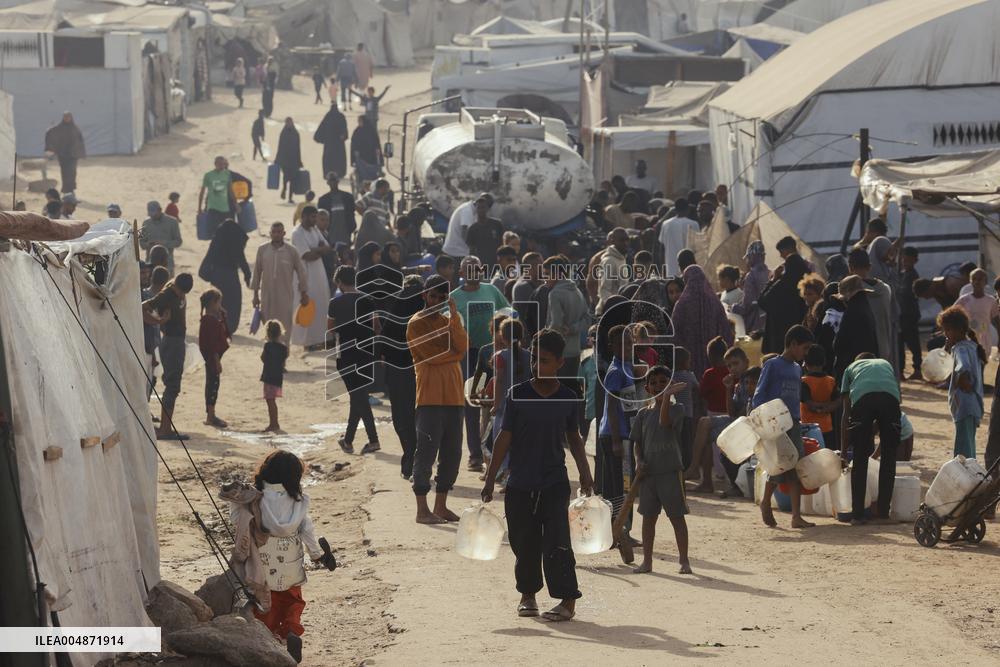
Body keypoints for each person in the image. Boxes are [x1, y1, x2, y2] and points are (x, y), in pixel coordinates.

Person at [481, 329, 594, 622]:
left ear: (559, 362)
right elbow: (503, 438)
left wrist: (585, 474)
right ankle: (528, 595)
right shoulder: (517, 394)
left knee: (557, 543)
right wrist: (491, 478)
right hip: (519, 483)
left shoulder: (568, 397)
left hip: (554, 482)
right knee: (524, 543)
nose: (536, 366)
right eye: (533, 359)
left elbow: (575, 439)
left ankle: (567, 600)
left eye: (543, 360)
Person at [243, 450, 330, 663]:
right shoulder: (298, 501)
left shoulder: (255, 498)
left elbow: (239, 520)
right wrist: (318, 556)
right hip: (290, 564)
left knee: (264, 603)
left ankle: (267, 639)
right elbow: (307, 531)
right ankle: (291, 631)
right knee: (292, 601)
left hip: (261, 563)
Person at [407, 275, 469, 523]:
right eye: (432, 296)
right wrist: (454, 354)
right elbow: (433, 355)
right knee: (426, 454)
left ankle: (441, 506)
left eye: (441, 297)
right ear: (424, 296)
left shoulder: (449, 321)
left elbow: (462, 346)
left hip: (454, 397)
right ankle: (422, 510)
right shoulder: (415, 324)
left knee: (452, 454)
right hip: (429, 398)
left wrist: (454, 317)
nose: (436, 301)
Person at [751, 325, 816, 529]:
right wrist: (760, 418)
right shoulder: (772, 365)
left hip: (793, 423)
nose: (805, 354)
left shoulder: (797, 369)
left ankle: (796, 517)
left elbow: (795, 398)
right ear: (793, 344)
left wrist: (798, 419)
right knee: (779, 465)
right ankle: (765, 502)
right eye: (804, 348)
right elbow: (759, 395)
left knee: (795, 464)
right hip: (775, 424)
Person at [451, 256, 510, 471]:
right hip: (471, 355)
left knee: (498, 401)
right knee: (473, 403)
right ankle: (475, 454)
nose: (474, 272)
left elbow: (508, 313)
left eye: (477, 268)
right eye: (469, 269)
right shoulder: (453, 298)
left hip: (495, 353)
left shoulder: (492, 291)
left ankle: (498, 453)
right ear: (461, 274)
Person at [631, 366, 691, 574]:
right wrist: (639, 461)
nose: (658, 386)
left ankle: (684, 560)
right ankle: (647, 561)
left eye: (663, 382)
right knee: (648, 518)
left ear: (671, 385)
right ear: (647, 388)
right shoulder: (642, 414)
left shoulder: (678, 409)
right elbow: (637, 443)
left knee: (676, 516)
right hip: (648, 474)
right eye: (654, 383)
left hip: (670, 472)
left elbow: (665, 423)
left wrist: (666, 398)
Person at [839, 354, 900, 525]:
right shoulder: (885, 364)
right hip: (890, 400)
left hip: (863, 400)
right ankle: (883, 513)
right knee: (889, 456)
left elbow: (846, 414)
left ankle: (857, 515)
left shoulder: (851, 368)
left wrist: (844, 452)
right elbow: (891, 397)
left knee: (859, 458)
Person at [328, 266, 379, 454]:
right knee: (358, 397)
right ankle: (348, 440)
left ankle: (373, 440)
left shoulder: (335, 303)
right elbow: (376, 327)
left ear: (340, 282)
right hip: (366, 353)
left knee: (359, 398)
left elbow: (331, 329)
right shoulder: (368, 300)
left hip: (346, 354)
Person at [688, 346, 750, 494]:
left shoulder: (751, 379)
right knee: (704, 424)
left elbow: (743, 414)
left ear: (746, 362)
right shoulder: (737, 384)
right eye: (729, 366)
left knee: (706, 424)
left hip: (748, 424)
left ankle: (696, 469)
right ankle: (705, 480)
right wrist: (728, 389)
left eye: (736, 363)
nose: (732, 368)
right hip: (738, 421)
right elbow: (732, 412)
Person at [143, 273, 194, 440]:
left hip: (175, 342)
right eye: (182, 292)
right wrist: (158, 322)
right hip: (171, 343)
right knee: (172, 386)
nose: (182, 296)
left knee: (172, 385)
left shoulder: (175, 292)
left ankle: (165, 427)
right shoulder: (167, 295)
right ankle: (165, 429)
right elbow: (143, 308)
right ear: (178, 288)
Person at [382, 274, 424, 479]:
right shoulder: (427, 307)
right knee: (422, 415)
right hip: (423, 369)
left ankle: (409, 454)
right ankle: (418, 458)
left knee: (401, 415)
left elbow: (383, 339)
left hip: (397, 369)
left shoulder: (394, 304)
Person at [251, 222, 309, 344]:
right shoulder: (262, 250)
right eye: (274, 232)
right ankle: (270, 354)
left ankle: (283, 355)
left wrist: (304, 293)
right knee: (268, 326)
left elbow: (301, 273)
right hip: (267, 296)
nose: (277, 235)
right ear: (270, 234)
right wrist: (255, 295)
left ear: (284, 233)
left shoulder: (292, 251)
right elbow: (257, 272)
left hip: (285, 296)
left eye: (279, 232)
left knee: (285, 327)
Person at [672, 265, 734, 377]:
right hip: (713, 360)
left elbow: (675, 333)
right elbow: (726, 331)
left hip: (689, 362)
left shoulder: (682, 304)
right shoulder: (714, 302)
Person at [940, 305, 985, 458]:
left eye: (948, 330)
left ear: (959, 330)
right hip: (973, 406)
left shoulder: (960, 349)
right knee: (969, 445)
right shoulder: (972, 346)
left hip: (964, 405)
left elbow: (963, 366)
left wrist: (962, 379)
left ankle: (966, 480)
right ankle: (972, 478)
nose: (945, 334)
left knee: (962, 452)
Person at [545, 255, 591, 390]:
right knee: (570, 392)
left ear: (558, 274)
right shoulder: (577, 291)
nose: (545, 278)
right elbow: (587, 319)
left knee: (555, 394)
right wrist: (572, 329)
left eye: (547, 274)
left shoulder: (554, 293)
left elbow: (556, 325)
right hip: (575, 351)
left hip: (557, 353)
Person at [847, 248, 896, 372]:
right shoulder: (886, 290)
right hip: (884, 349)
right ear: (869, 266)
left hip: (859, 352)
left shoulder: (849, 291)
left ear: (850, 267)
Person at [291, 206, 334, 349]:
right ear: (303, 217)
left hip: (319, 274)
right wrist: (317, 250)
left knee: (321, 305)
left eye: (315, 217)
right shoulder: (297, 233)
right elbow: (307, 256)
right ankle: (307, 343)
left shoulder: (315, 230)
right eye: (312, 217)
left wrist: (316, 250)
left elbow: (327, 248)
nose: (314, 220)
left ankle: (319, 340)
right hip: (305, 274)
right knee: (307, 306)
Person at [758, 237, 809, 354]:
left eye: (781, 252)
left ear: (787, 250)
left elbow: (763, 301)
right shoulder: (807, 277)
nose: (781, 256)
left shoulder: (785, 281)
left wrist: (773, 279)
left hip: (780, 340)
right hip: (802, 341)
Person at [202, 217, 251, 333]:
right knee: (233, 302)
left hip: (217, 276)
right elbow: (242, 260)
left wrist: (210, 275)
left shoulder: (217, 240)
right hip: (231, 276)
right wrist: (247, 276)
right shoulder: (235, 243)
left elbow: (209, 256)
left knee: (216, 301)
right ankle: (229, 326)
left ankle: (214, 324)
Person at [833, 275, 880, 381]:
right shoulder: (866, 307)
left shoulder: (852, 311)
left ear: (848, 294)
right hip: (868, 364)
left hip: (853, 365)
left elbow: (839, 343)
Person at [198, 288, 231, 428]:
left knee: (213, 384)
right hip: (212, 358)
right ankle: (210, 415)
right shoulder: (209, 322)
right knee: (213, 385)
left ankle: (211, 414)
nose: (220, 306)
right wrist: (216, 361)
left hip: (213, 357)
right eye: (219, 303)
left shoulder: (212, 319)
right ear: (212, 303)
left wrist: (223, 317)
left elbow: (226, 333)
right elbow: (211, 345)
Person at [956, 268, 1000, 358]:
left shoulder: (991, 301)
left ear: (985, 282)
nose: (977, 282)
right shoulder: (964, 300)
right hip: (967, 339)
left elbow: (997, 321)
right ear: (970, 281)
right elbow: (952, 314)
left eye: (980, 279)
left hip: (984, 340)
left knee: (981, 363)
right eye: (974, 279)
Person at [801, 345, 839, 446]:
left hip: (808, 429)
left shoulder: (804, 381)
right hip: (827, 428)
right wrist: (826, 408)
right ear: (824, 362)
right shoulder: (831, 381)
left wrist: (818, 408)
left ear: (805, 363)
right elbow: (838, 402)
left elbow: (809, 404)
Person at [731, 241, 768, 334]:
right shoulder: (770, 273)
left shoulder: (751, 276)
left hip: (755, 323)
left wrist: (733, 307)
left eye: (748, 258)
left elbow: (746, 306)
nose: (747, 261)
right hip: (768, 322)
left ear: (752, 257)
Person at [44, 111, 85, 193]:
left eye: (68, 117)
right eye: (65, 117)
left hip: (73, 155)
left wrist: (81, 152)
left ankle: (71, 188)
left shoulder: (75, 128)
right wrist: (50, 148)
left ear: (71, 118)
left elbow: (80, 141)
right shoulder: (59, 128)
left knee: (72, 172)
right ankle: (66, 189)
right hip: (63, 155)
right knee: (65, 172)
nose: (67, 119)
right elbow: (51, 132)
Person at [443, 193, 492, 259]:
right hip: (457, 252)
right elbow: (465, 232)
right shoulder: (467, 210)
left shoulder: (473, 211)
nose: (485, 211)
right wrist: (474, 249)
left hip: (461, 251)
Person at [261, 320, 289, 432]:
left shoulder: (267, 346)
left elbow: (262, 358)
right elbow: (283, 362)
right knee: (272, 400)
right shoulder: (283, 348)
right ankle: (274, 423)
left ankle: (274, 423)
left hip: (268, 376)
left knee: (270, 400)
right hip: (277, 377)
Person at [899, 246, 922, 380]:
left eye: (908, 260)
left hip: (910, 315)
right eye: (904, 260)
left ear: (915, 261)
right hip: (901, 315)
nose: (905, 263)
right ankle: (901, 370)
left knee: (913, 343)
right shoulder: (902, 274)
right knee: (900, 343)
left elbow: (907, 294)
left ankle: (917, 369)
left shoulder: (913, 276)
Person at [658, 200, 699, 276]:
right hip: (689, 268)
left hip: (670, 268)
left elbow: (662, 248)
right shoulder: (694, 224)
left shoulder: (666, 224)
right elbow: (698, 248)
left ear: (675, 209)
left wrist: (662, 268)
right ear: (688, 209)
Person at [140, 201, 182, 273]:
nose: (153, 216)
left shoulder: (172, 222)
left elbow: (178, 242)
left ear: (160, 210)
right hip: (150, 265)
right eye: (151, 214)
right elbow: (142, 243)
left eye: (155, 213)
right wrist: (149, 244)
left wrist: (164, 243)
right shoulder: (146, 223)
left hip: (167, 265)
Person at [317, 172, 356, 247]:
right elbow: (320, 217)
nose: (333, 182)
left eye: (334, 180)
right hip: (330, 233)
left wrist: (352, 227)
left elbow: (352, 213)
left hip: (345, 232)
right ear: (327, 183)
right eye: (331, 180)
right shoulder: (323, 200)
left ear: (338, 181)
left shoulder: (348, 197)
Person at [199, 156, 235, 236]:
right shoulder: (208, 175)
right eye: (220, 164)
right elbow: (202, 192)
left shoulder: (227, 174)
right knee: (214, 232)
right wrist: (199, 208)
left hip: (225, 208)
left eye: (223, 164)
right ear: (215, 164)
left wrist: (236, 204)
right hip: (213, 208)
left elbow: (231, 191)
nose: (222, 166)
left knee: (227, 231)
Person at [465, 197, 504, 268]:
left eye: (483, 207)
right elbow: (471, 250)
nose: (481, 210)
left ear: (487, 209)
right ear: (476, 209)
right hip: (482, 266)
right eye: (479, 208)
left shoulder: (497, 224)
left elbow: (503, 244)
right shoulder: (472, 229)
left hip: (497, 264)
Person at [314, 103, 349, 181]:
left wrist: (322, 139)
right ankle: (339, 173)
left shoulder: (328, 116)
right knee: (338, 159)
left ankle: (328, 173)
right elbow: (344, 130)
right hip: (338, 144)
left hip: (329, 143)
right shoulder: (340, 116)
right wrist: (343, 136)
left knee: (328, 159)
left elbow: (321, 129)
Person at [598, 228, 629, 310]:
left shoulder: (621, 258)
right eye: (622, 240)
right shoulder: (609, 261)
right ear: (613, 241)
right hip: (611, 311)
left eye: (627, 240)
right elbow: (604, 290)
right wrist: (616, 308)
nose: (626, 243)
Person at [700, 336, 729, 416]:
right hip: (731, 413)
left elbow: (702, 394)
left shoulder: (709, 374)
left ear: (710, 356)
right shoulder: (732, 372)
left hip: (713, 412)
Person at [276, 118, 303, 204]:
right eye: (287, 123)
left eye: (290, 122)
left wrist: (299, 161)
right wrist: (277, 159)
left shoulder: (295, 133)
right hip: (286, 160)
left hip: (294, 160)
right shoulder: (284, 133)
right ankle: (284, 189)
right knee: (286, 177)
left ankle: (290, 197)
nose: (289, 124)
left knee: (292, 180)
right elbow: (280, 146)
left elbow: (298, 148)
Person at [350, 116, 382, 183]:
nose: (359, 123)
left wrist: (377, 150)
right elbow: (354, 144)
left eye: (360, 121)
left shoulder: (371, 131)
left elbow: (376, 142)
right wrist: (355, 153)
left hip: (372, 156)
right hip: (361, 156)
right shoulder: (357, 131)